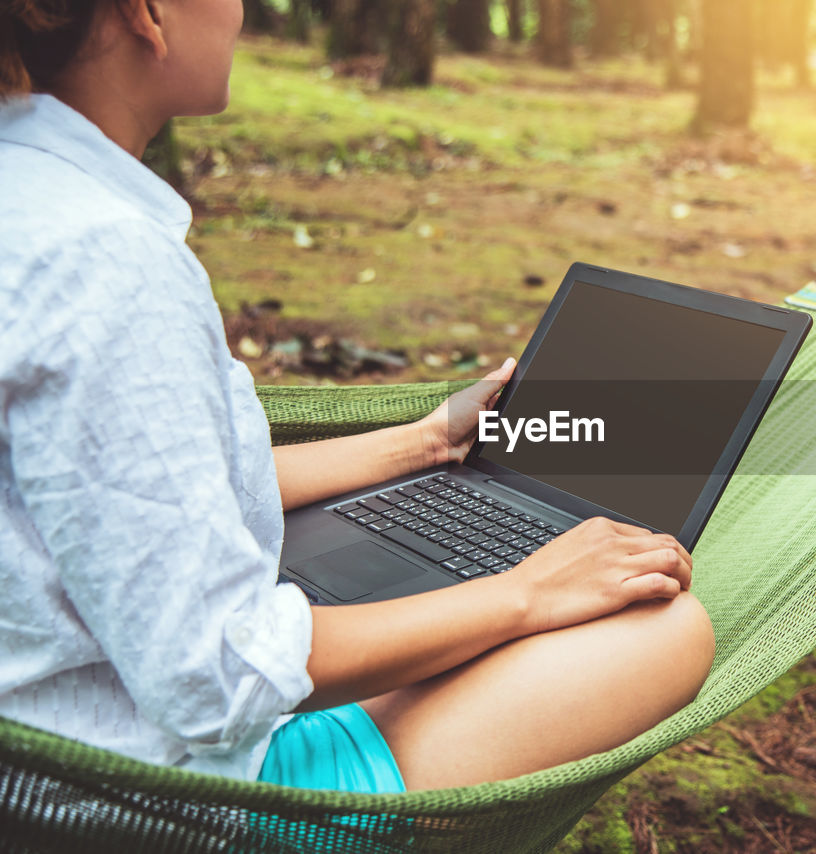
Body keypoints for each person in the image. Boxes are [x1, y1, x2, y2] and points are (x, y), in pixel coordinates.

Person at [0, 0, 714, 794]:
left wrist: (424, 442)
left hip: (63, 727)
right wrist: (527, 591)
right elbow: (214, 681)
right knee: (667, 627)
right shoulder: (106, 260)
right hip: (171, 796)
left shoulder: (29, 199)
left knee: (447, 610)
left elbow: (144, 494)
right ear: (149, 14)